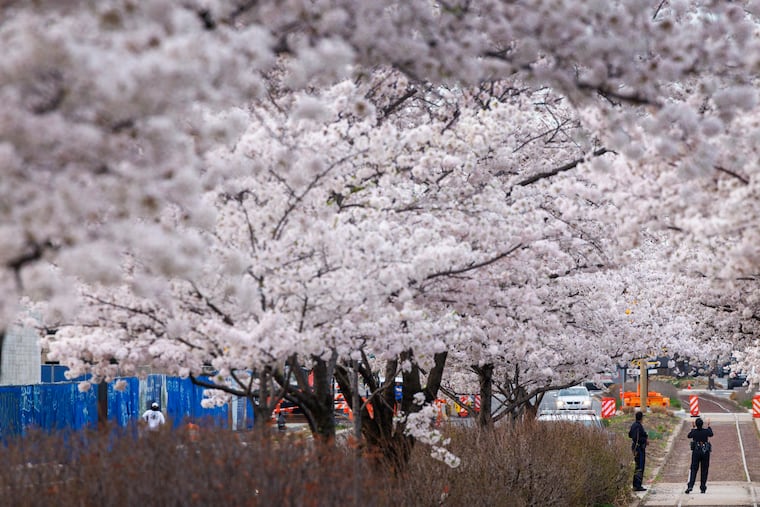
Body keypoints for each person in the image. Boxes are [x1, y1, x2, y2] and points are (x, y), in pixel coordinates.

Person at [685, 417, 713, 494]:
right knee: (704, 470)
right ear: (702, 424)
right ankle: (703, 487)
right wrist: (709, 425)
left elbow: (689, 436)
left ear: (696, 425)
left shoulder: (694, 432)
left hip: (696, 452)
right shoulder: (706, 431)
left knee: (694, 469)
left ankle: (690, 485)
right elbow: (711, 434)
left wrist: (693, 427)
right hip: (705, 452)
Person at [628, 411, 648, 492]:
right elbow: (637, 438)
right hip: (638, 448)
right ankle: (637, 485)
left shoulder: (634, 425)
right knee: (640, 467)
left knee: (637, 466)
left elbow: (629, 435)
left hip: (636, 447)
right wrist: (645, 440)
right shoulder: (638, 426)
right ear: (641, 418)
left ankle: (636, 485)